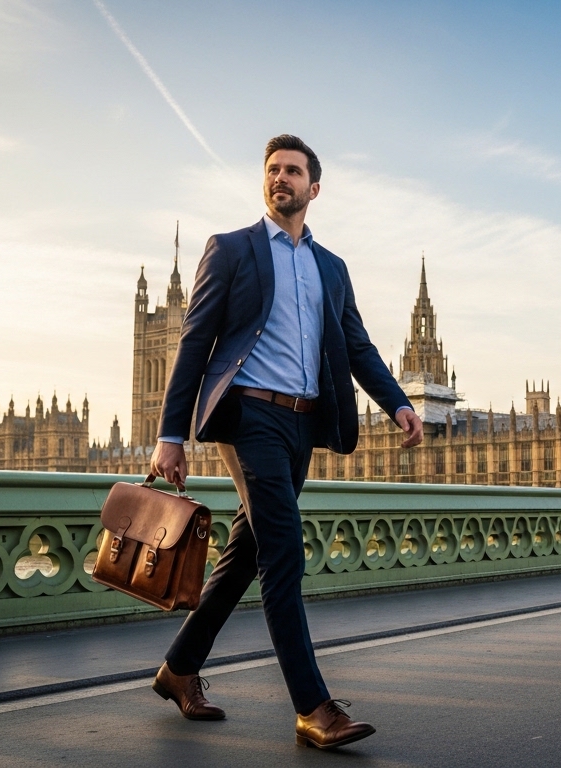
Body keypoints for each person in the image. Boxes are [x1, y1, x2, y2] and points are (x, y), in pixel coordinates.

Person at [149, 135, 424, 750]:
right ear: (264, 182)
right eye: (272, 170)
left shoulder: (331, 267)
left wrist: (399, 401)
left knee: (250, 550)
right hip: (249, 414)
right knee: (285, 553)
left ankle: (179, 668)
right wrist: (172, 435)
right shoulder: (231, 249)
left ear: (313, 188)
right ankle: (313, 708)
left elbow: (356, 346)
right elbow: (195, 342)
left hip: (304, 421)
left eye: (293, 171)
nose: (281, 178)